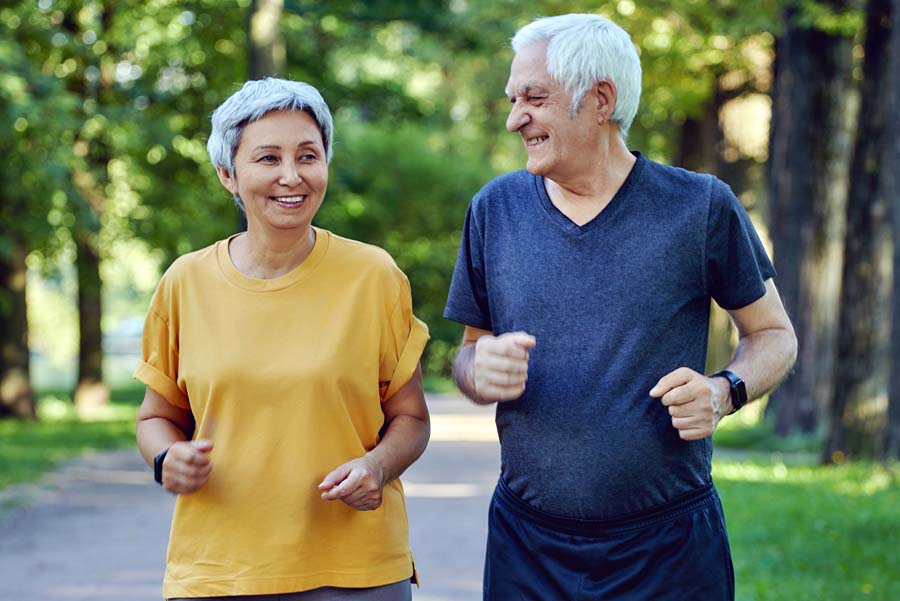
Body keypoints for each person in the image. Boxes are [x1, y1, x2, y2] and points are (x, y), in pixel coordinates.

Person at [444, 14, 798, 601]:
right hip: (527, 548)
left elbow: (774, 335)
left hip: (669, 550)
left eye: (534, 97)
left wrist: (723, 391)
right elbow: (469, 357)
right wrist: (477, 371)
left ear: (600, 99)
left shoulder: (700, 206)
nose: (514, 119)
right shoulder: (494, 210)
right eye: (513, 99)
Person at [135, 78, 430, 601]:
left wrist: (376, 467)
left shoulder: (374, 276)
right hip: (218, 572)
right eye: (268, 158)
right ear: (228, 174)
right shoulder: (185, 282)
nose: (291, 176)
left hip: (355, 572)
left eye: (308, 156)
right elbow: (156, 418)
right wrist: (167, 459)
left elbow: (410, 418)